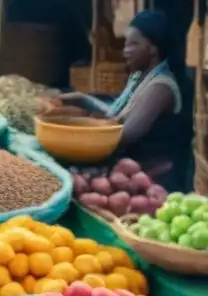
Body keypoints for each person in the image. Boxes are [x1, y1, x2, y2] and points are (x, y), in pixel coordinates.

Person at [59, 10, 189, 190]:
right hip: (130, 172)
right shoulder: (139, 77)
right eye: (126, 45)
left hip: (153, 180)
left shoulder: (161, 86)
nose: (126, 51)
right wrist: (82, 99)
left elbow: (125, 135)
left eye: (133, 44)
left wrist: (73, 142)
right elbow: (116, 114)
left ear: (152, 48)